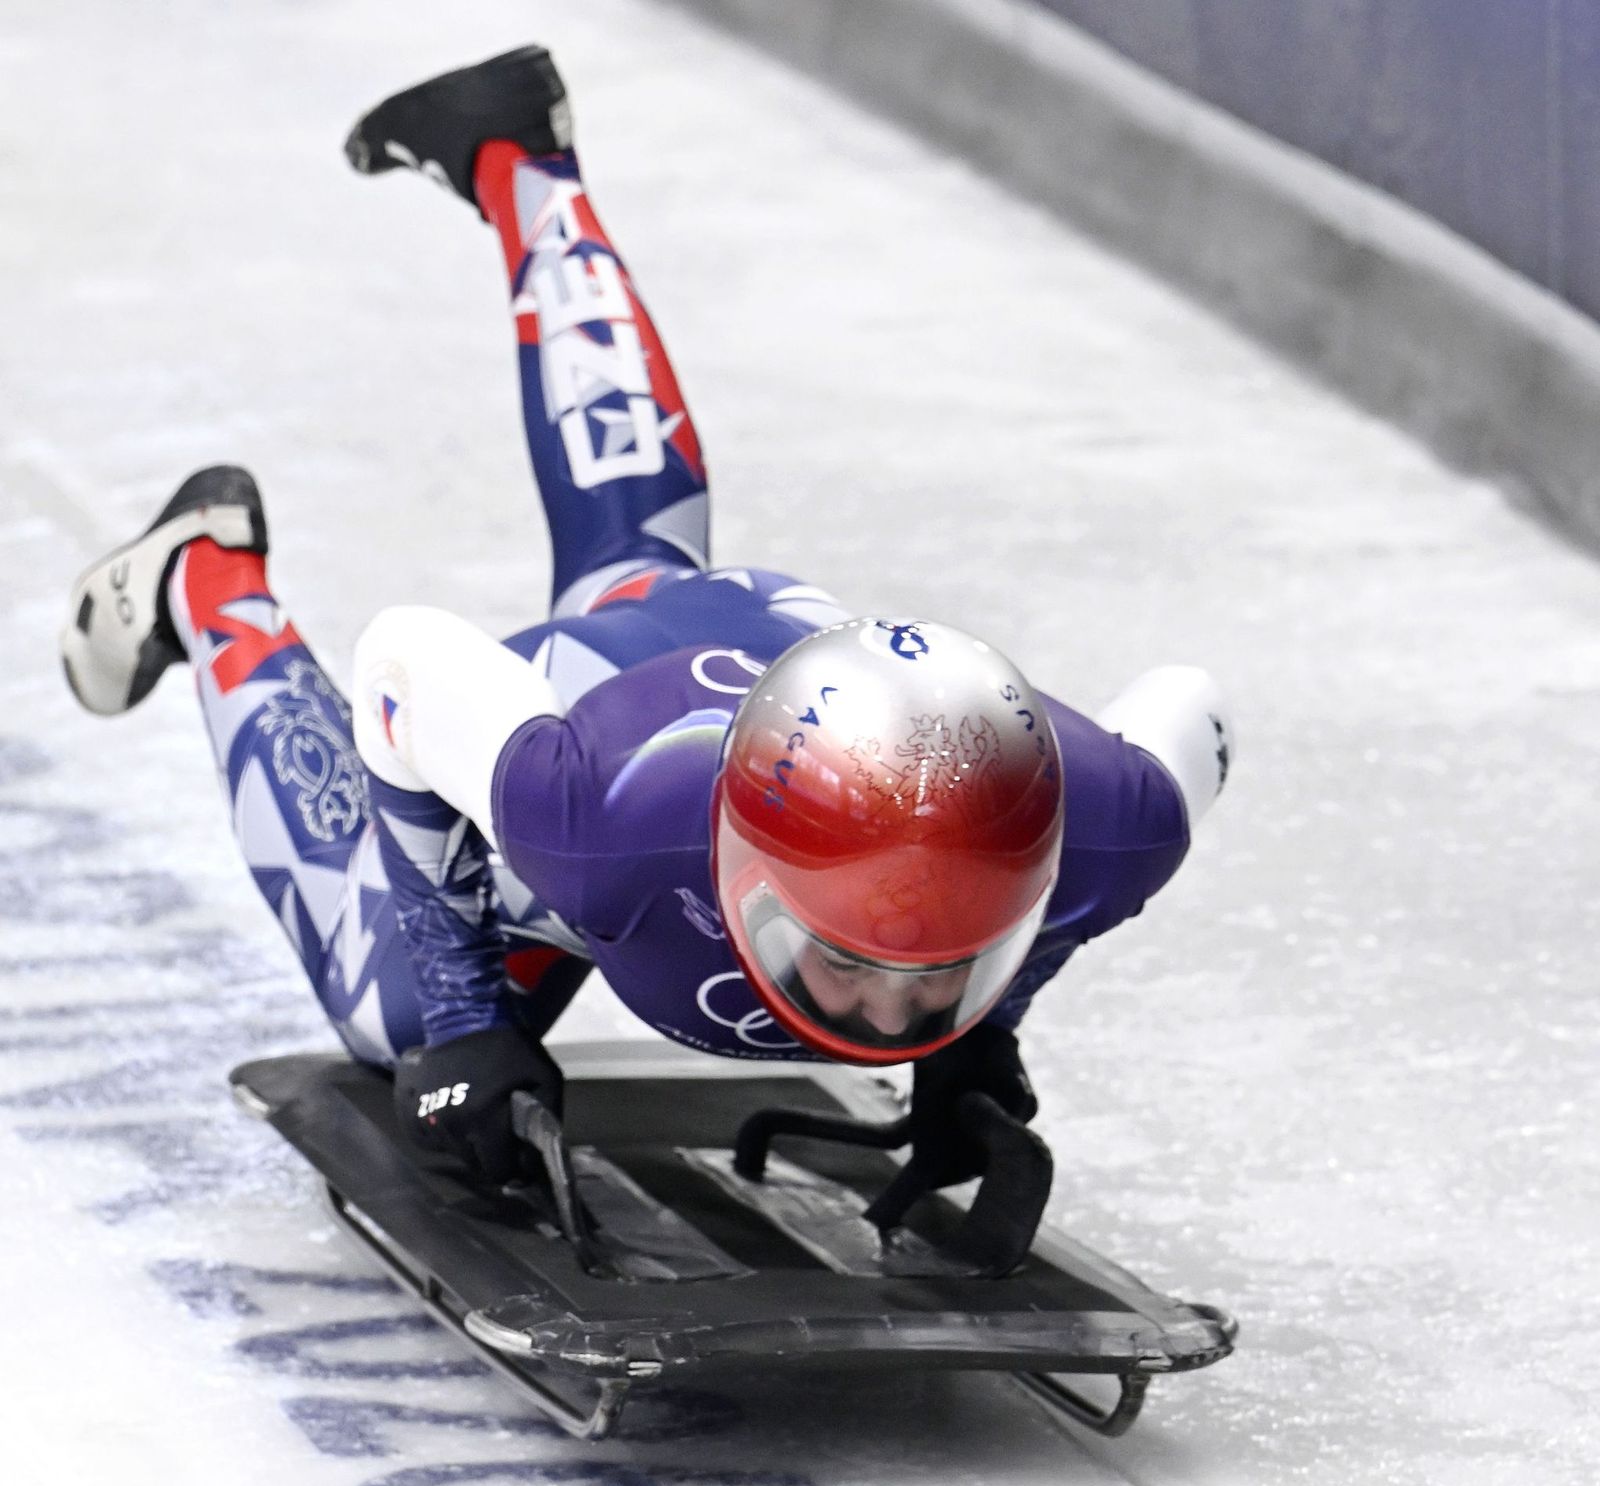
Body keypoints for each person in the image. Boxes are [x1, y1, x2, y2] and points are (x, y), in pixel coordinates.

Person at [58, 45, 1231, 1198]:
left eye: (942, 969)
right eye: (851, 963)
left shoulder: (1110, 824)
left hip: (740, 639)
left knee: (634, 569)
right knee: (392, 1010)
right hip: (597, 706)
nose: (884, 1019)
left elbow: (1195, 714)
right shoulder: (597, 824)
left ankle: (518, 155)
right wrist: (464, 1017)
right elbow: (400, 672)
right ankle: (205, 570)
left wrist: (983, 1023)